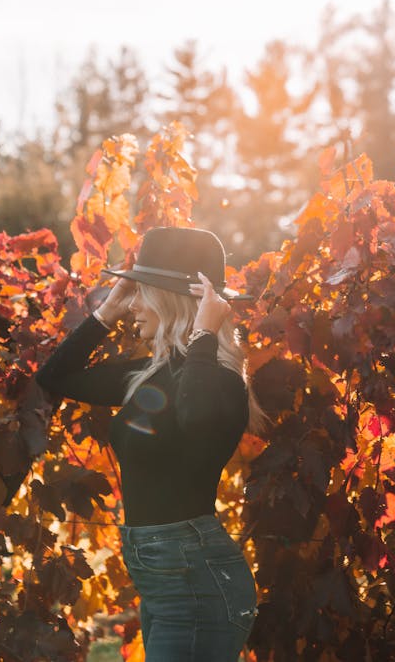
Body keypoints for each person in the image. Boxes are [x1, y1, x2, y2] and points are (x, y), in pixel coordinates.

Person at [35, 226, 259, 662]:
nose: (133, 303)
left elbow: (195, 416)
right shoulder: (152, 374)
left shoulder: (221, 380)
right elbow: (54, 377)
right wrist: (105, 314)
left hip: (196, 582)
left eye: (142, 293)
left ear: (172, 300)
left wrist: (203, 333)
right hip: (167, 581)